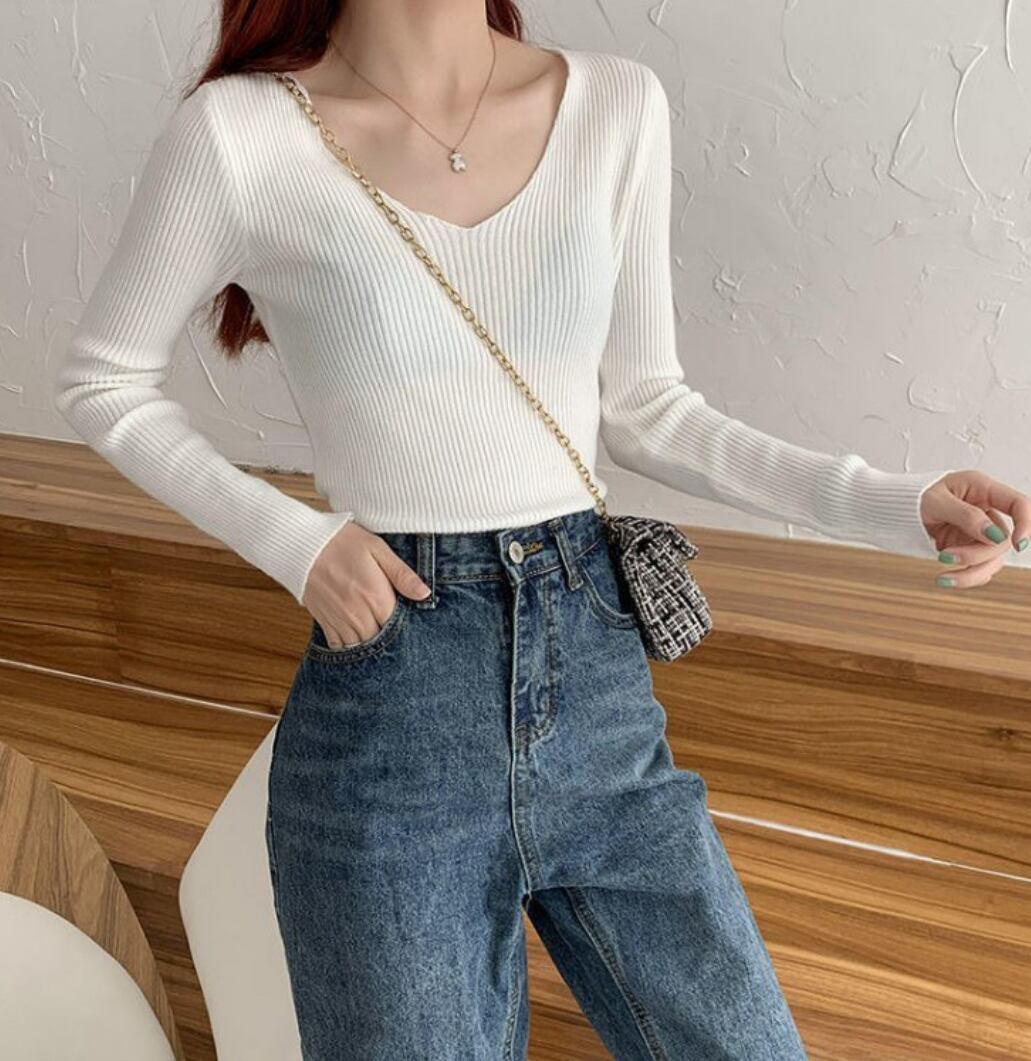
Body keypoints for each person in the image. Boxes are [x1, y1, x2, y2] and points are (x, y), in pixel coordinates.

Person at [52, 2, 1029, 1058]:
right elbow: (104, 382)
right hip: (397, 703)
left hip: (595, 675)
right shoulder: (240, 135)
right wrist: (300, 544)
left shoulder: (613, 104)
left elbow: (647, 408)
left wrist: (895, 502)